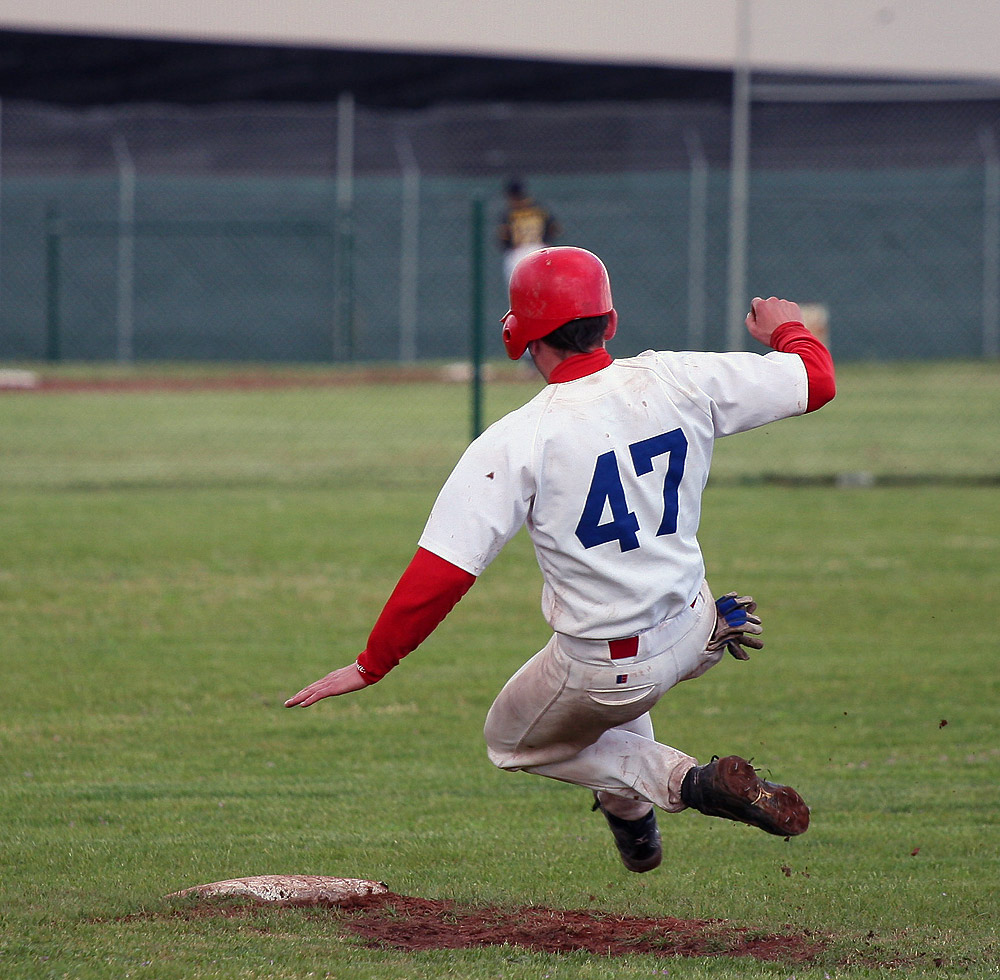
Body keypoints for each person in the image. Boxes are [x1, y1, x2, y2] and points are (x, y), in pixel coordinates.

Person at [286, 246, 836, 873]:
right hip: (692, 624)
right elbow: (816, 380)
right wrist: (788, 329)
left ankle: (689, 783)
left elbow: (442, 574)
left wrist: (372, 663)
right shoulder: (677, 377)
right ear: (610, 322)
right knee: (610, 719)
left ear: (518, 338)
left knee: (512, 742)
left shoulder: (521, 437)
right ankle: (636, 833)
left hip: (607, 667)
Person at [497, 179, 561, 283]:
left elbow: (503, 236)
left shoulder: (509, 213)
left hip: (517, 252)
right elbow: (555, 228)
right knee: (542, 286)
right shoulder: (540, 209)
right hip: (541, 249)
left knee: (516, 288)